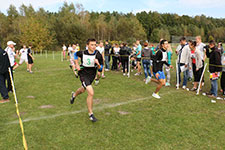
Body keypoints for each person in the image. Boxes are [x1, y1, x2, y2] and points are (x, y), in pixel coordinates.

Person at [70, 38, 103, 122]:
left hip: (92, 74)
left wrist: (98, 64)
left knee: (83, 89)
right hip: (83, 73)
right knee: (91, 92)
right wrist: (77, 64)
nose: (94, 46)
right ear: (87, 45)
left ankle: (74, 95)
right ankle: (91, 114)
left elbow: (100, 69)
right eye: (92, 45)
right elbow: (75, 55)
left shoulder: (98, 54)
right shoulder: (83, 53)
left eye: (95, 45)